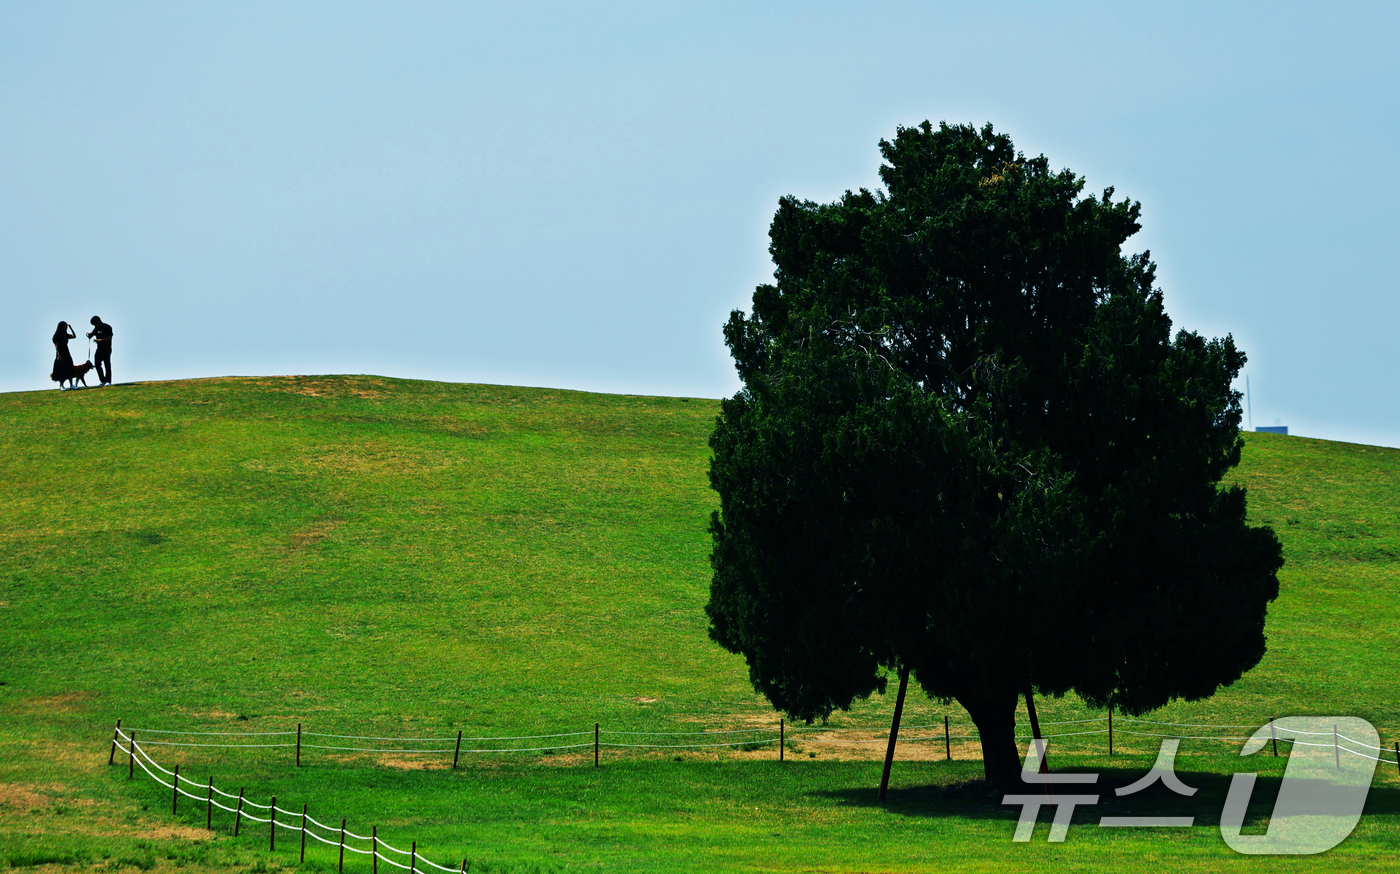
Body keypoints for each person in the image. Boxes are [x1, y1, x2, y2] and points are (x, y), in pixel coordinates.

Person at [87, 316, 113, 386]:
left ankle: (108, 381)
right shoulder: (96, 328)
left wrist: (100, 340)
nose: (95, 326)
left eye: (95, 324)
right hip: (99, 349)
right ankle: (102, 380)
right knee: (97, 364)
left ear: (98, 321)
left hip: (107, 349)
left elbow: (109, 338)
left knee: (107, 365)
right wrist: (90, 335)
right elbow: (93, 333)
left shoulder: (107, 327)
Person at [51, 321, 76, 388]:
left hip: (66, 352)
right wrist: (58, 354)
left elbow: (74, 336)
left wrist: (70, 328)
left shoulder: (65, 334)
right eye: (64, 326)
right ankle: (62, 385)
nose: (65, 328)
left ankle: (71, 385)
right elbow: (56, 345)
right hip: (60, 353)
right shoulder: (57, 335)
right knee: (61, 369)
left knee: (69, 367)